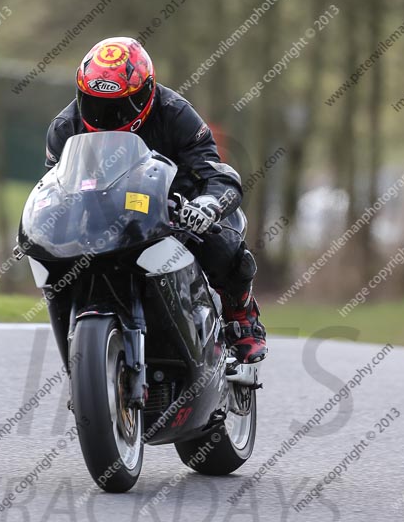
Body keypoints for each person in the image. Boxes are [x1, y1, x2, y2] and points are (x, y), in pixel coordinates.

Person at [44, 37, 267, 380]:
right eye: (95, 104)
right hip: (102, 217)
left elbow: (213, 171)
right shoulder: (64, 128)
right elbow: (54, 187)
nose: (106, 116)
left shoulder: (175, 113)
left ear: (145, 94)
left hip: (173, 208)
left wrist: (205, 205)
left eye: (120, 106)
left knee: (223, 242)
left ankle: (240, 315)